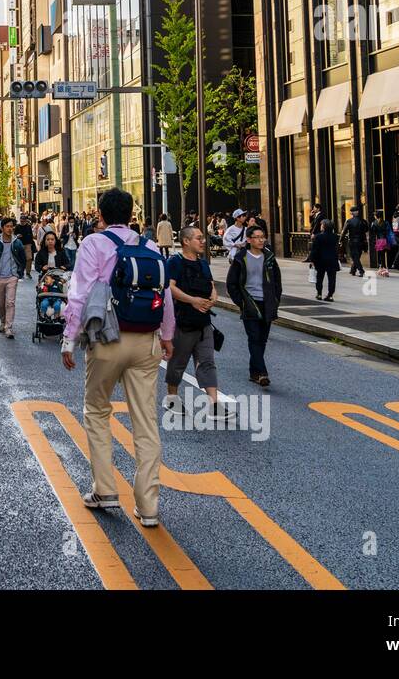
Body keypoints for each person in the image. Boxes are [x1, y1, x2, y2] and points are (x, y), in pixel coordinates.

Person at [60, 189, 174, 525]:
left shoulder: (94, 244)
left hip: (107, 338)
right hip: (147, 341)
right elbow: (164, 294)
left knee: (96, 410)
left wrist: (69, 339)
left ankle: (105, 489)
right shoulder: (150, 247)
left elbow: (79, 293)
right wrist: (167, 336)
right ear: (130, 213)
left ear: (101, 214)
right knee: (145, 421)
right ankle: (149, 506)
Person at [164, 226, 227, 418]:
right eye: (199, 238)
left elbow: (211, 286)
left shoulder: (203, 264)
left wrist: (213, 298)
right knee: (178, 363)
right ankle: (172, 398)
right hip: (182, 321)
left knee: (207, 362)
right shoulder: (175, 262)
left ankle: (214, 404)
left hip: (203, 323)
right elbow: (169, 288)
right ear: (186, 241)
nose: (203, 241)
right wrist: (193, 300)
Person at [226, 225, 282, 387]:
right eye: (257, 237)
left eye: (262, 236)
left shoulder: (269, 257)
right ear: (249, 240)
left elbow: (277, 281)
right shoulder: (240, 258)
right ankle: (262, 373)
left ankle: (254, 372)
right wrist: (241, 302)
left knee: (262, 340)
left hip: (268, 303)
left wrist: (276, 299)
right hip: (250, 303)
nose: (261, 239)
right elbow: (232, 284)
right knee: (254, 338)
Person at [0, 217, 27, 339]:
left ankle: (9, 327)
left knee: (10, 302)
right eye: (7, 226)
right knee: (0, 303)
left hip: (12, 277)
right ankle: (3, 322)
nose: (10, 229)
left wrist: (19, 273)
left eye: (11, 226)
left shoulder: (17, 243)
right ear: (2, 228)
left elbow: (22, 259)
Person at [309, 220, 340, 301]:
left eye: (321, 225)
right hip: (332, 260)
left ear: (324, 227)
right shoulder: (335, 237)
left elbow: (314, 250)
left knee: (319, 277)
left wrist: (312, 260)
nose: (320, 226)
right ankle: (330, 295)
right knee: (332, 278)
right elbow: (337, 249)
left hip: (320, 260)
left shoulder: (318, 237)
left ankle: (319, 294)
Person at [340, 206, 369, 278]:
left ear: (352, 213)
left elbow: (344, 232)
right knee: (357, 256)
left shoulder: (349, 221)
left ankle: (361, 271)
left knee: (355, 257)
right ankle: (353, 269)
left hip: (353, 241)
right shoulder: (363, 221)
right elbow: (366, 230)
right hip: (361, 241)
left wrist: (340, 240)